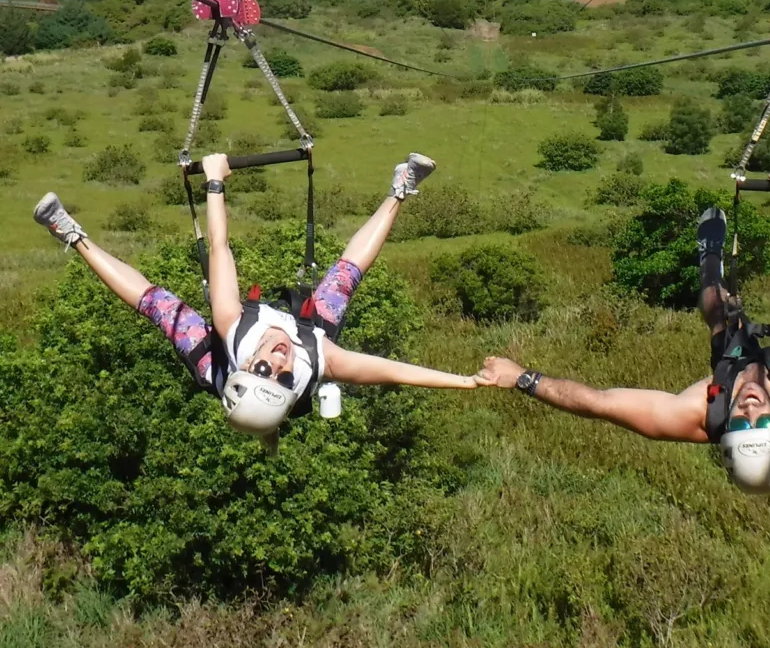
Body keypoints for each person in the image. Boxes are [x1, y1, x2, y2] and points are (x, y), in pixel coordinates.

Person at [475, 173, 770, 494]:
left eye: (740, 423)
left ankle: (708, 253)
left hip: (755, 370)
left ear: (723, 433)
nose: (748, 409)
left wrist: (522, 378)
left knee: (720, 314)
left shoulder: (698, 416)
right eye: (762, 422)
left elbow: (599, 402)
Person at [34, 152, 482, 449]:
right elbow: (396, 373)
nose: (281, 363)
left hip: (216, 361)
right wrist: (467, 383)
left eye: (267, 369)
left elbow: (219, 248)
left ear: (249, 366)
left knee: (161, 307)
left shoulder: (232, 329)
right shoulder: (317, 360)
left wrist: (214, 181)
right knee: (343, 278)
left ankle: (70, 234)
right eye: (285, 379)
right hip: (307, 334)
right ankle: (400, 188)